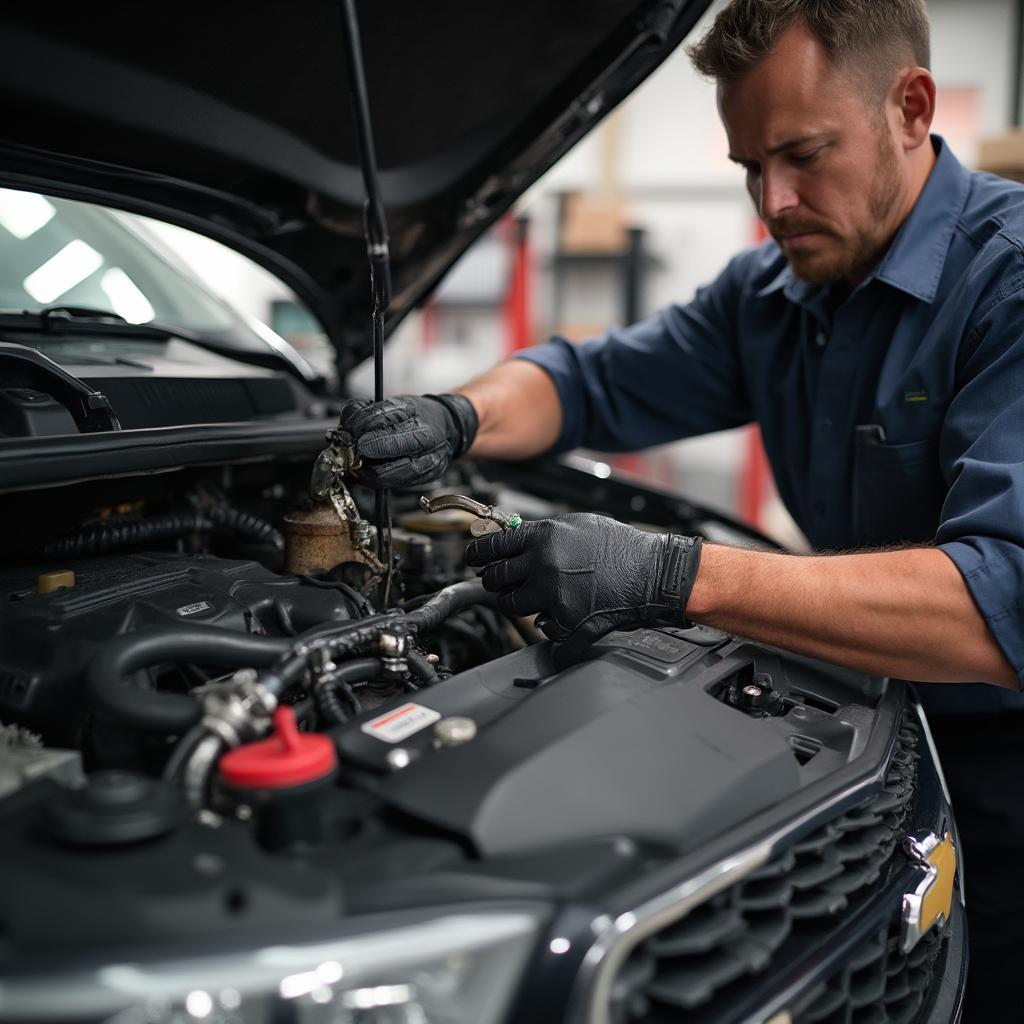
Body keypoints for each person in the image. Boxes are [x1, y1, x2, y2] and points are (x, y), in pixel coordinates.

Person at [338, 2, 1024, 1018]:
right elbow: (583, 384)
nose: (772, 200)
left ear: (912, 107)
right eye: (750, 165)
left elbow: (996, 607)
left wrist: (670, 575)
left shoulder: (1005, 284)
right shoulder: (774, 293)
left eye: (800, 153)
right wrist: (461, 412)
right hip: (881, 738)